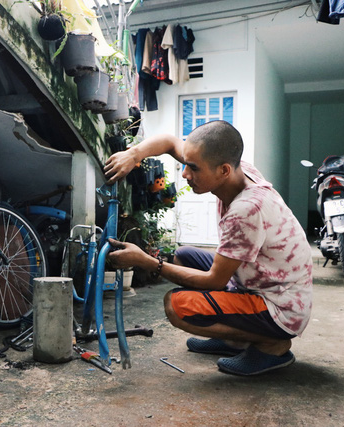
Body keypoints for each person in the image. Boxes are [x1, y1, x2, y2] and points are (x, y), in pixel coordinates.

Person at [104, 120, 313, 376]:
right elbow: (170, 142)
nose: (184, 174)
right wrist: (132, 154)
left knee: (177, 306)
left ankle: (271, 345)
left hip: (280, 305)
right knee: (183, 256)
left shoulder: (247, 209)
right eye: (185, 164)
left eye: (192, 168)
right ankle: (232, 339)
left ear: (223, 170)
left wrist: (146, 261)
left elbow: (214, 280)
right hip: (258, 279)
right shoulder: (235, 169)